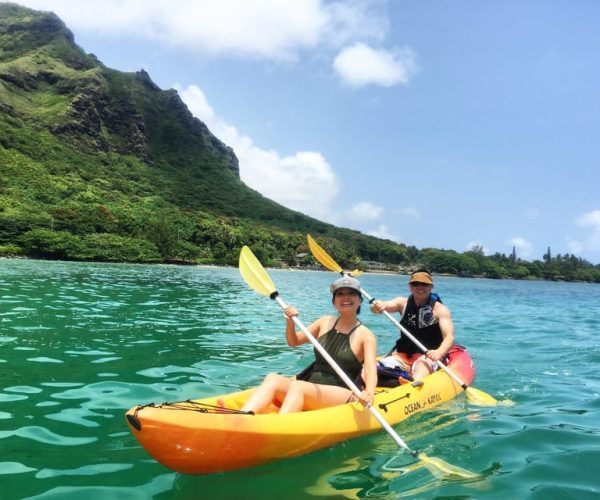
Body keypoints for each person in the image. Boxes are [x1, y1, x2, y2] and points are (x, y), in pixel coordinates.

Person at [241, 276, 378, 414]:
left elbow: (371, 369)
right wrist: (290, 323)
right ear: (334, 302)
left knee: (299, 387)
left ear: (360, 300)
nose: (345, 297)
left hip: (343, 393)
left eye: (351, 293)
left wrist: (369, 393)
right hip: (312, 388)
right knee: (273, 379)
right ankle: (245, 416)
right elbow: (294, 342)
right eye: (340, 294)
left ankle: (281, 424)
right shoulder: (324, 322)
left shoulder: (366, 335)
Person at [370, 269, 454, 381]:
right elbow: (382, 307)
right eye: (415, 284)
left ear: (431, 287)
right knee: (377, 369)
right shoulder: (402, 303)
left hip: (427, 357)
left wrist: (439, 352)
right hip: (403, 355)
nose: (420, 287)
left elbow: (449, 337)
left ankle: (412, 384)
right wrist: (377, 306)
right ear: (410, 286)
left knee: (421, 367)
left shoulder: (440, 310)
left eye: (424, 284)